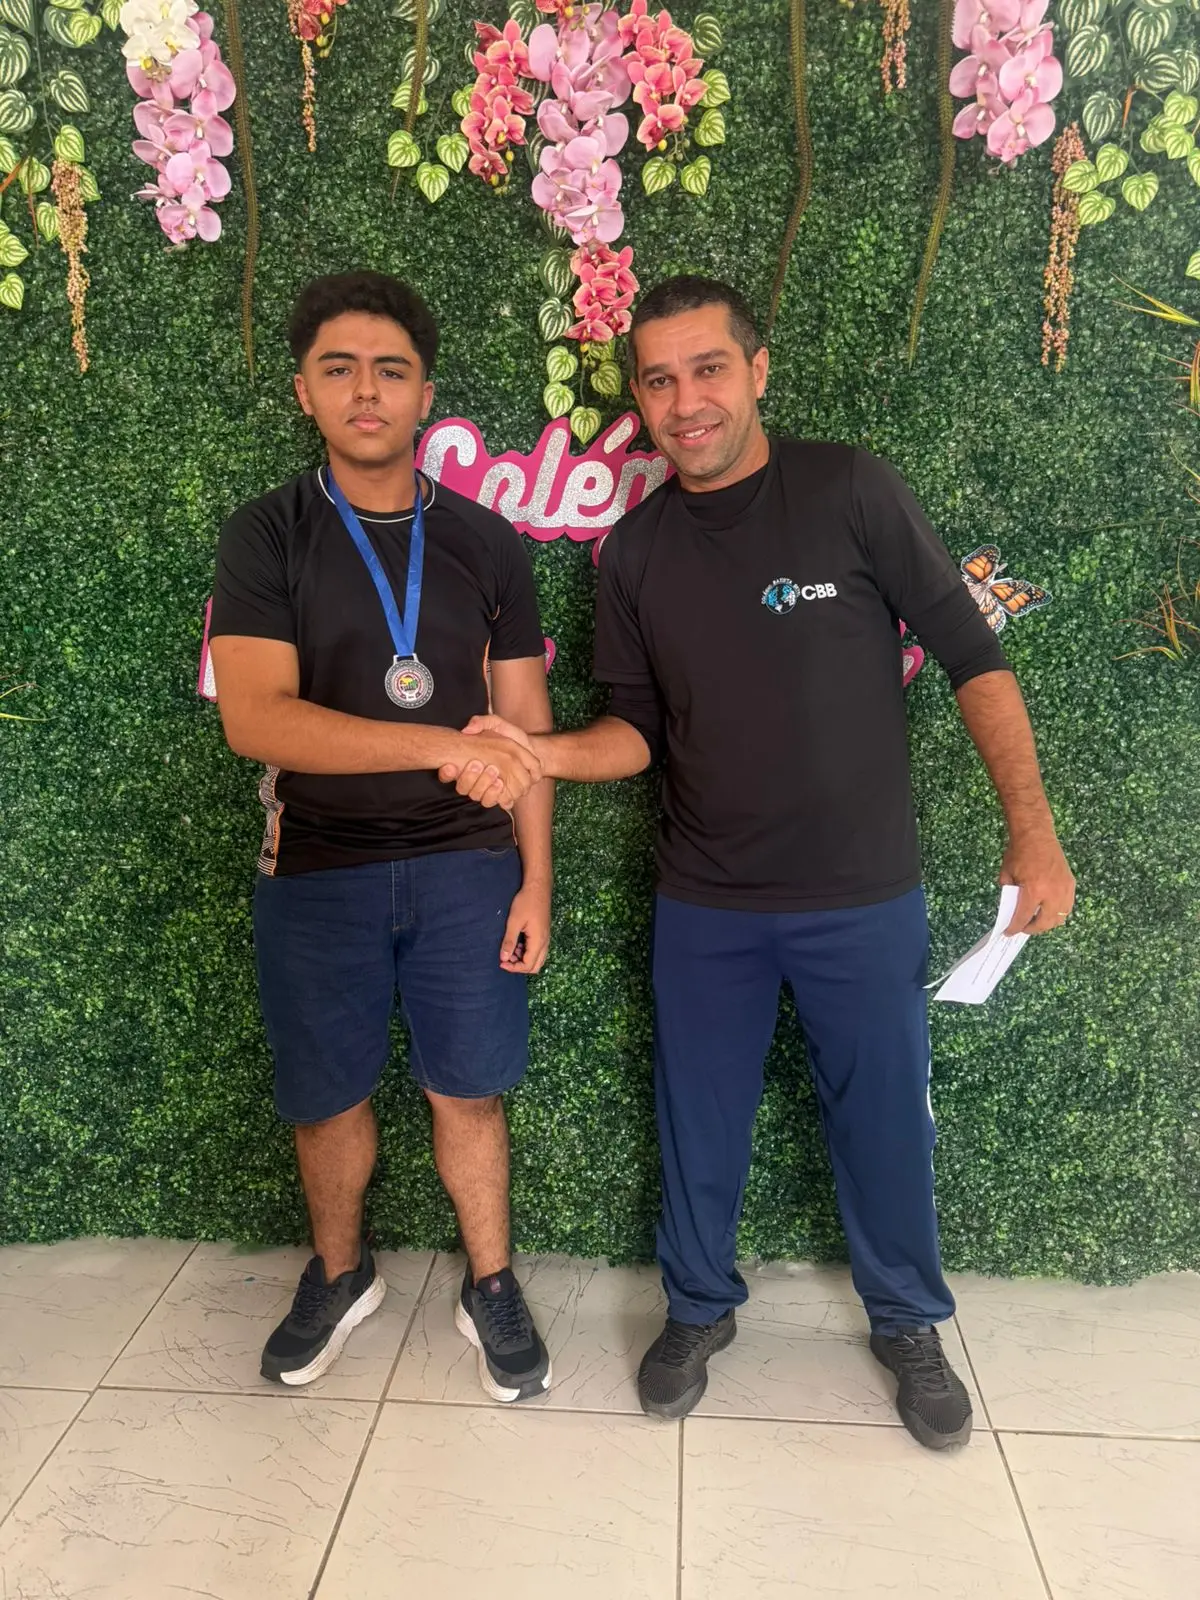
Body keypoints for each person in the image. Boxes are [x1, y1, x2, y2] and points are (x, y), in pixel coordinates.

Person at [445, 275, 1076, 1449]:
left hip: (863, 897)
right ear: (639, 399)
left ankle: (908, 1321)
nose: (687, 401)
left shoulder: (851, 489)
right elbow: (635, 731)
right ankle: (697, 1309)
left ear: (758, 371)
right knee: (698, 1122)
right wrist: (537, 752)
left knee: (885, 1123)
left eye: (709, 369)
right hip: (708, 905)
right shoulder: (634, 551)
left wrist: (1031, 831)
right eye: (659, 380)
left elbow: (972, 655)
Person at [208, 271, 556, 1402]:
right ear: (304, 391)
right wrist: (436, 742)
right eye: (340, 368)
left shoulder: (488, 542)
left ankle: (490, 1283)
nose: (367, 390)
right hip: (315, 867)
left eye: (391, 370)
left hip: (470, 868)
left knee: (471, 1093)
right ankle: (340, 1273)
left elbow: (526, 733)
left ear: (425, 395)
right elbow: (257, 720)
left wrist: (537, 882)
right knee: (326, 1100)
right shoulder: (266, 533)